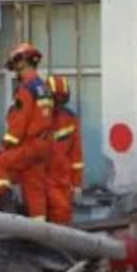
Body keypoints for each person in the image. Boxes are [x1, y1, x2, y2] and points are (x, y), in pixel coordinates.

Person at [0, 43, 53, 220]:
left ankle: (7, 212)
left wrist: (6, 144)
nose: (15, 72)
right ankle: (39, 230)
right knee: (35, 189)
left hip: (30, 144)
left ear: (21, 63)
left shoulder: (26, 89)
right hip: (43, 145)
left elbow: (20, 122)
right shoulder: (43, 88)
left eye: (15, 66)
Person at [45, 76, 83, 225]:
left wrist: (77, 184)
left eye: (62, 100)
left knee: (62, 215)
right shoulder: (34, 117)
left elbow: (76, 156)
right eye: (56, 99)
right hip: (38, 179)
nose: (59, 104)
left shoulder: (70, 119)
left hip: (61, 182)